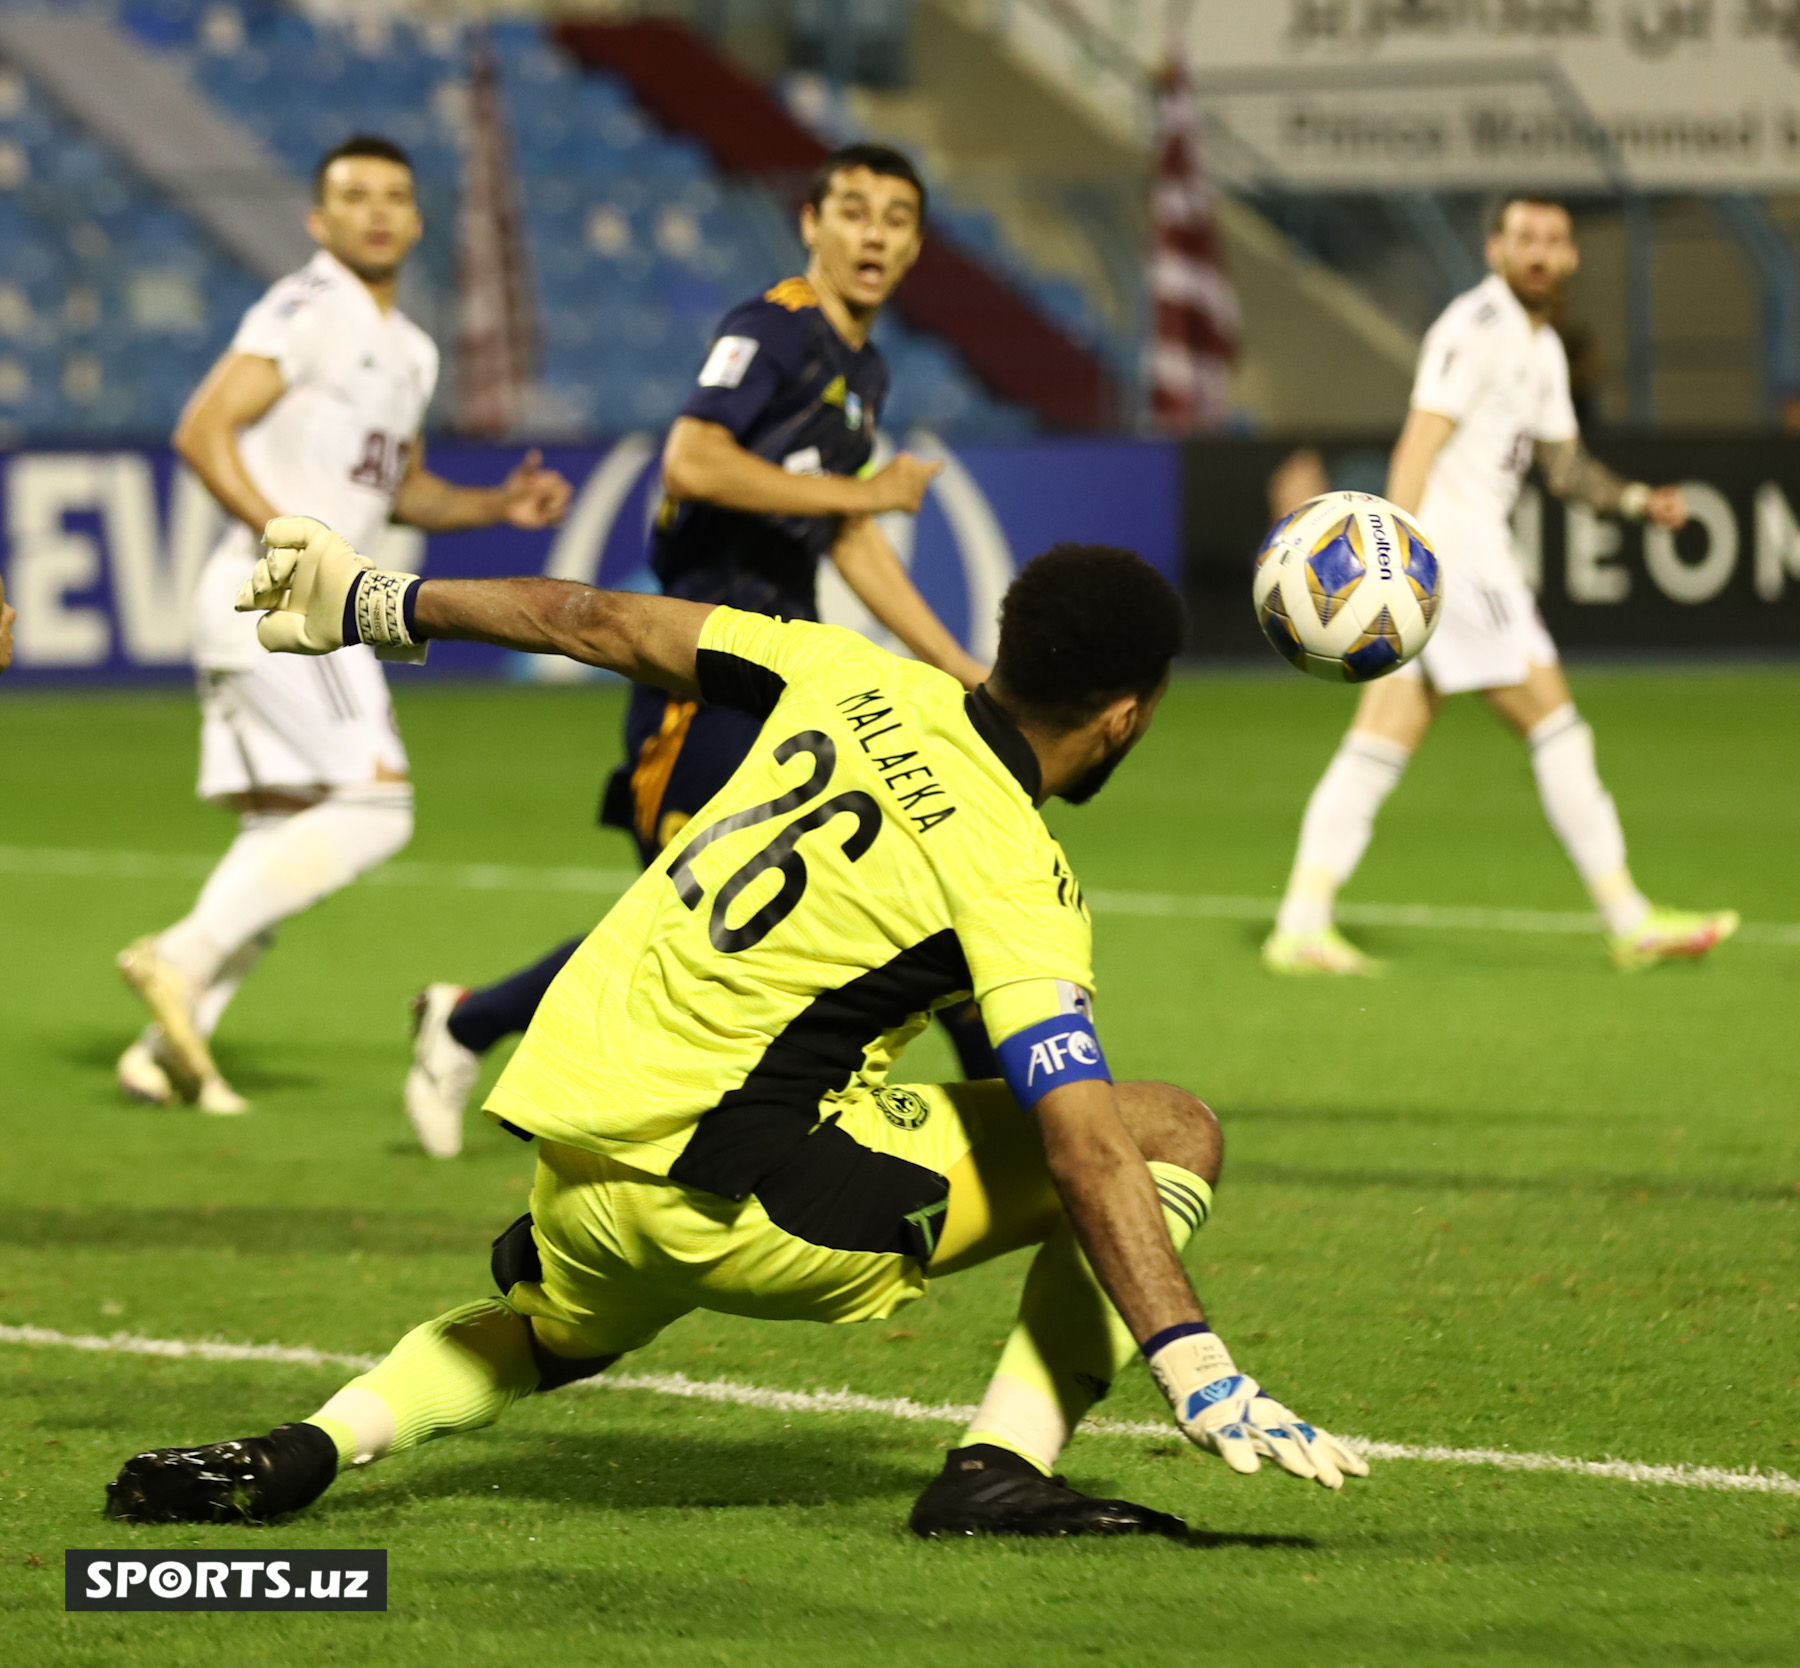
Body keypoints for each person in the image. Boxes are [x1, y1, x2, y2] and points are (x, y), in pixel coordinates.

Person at [103, 518, 1366, 1538]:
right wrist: (1192, 1359)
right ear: (1125, 715)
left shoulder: (848, 670)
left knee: (551, 1334)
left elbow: (587, 620)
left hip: (578, 1154)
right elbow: (1089, 1148)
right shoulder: (1021, 879)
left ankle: (305, 1447)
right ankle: (999, 1469)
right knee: (1170, 1130)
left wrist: (378, 600)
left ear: (1004, 644)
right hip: (754, 1202)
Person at [404, 142, 994, 1160]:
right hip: (700, 662)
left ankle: (468, 1020)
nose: (874, 234)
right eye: (854, 211)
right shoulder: (773, 327)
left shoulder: (865, 365)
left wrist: (958, 663)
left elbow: (846, 535)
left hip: (783, 664)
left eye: (897, 219)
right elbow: (694, 456)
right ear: (812, 223)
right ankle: (469, 1023)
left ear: (914, 245)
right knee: (701, 912)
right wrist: (864, 491)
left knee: (773, 895)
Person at [113, 135, 571, 1114]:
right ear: (319, 222)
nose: (375, 210)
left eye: (393, 196)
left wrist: (496, 507)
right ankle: (175, 958)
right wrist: (288, 542)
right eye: (353, 195)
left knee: (282, 835)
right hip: (278, 596)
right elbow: (203, 427)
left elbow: (398, 487)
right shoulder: (308, 308)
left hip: (294, 597)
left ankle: (161, 1048)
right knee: (376, 808)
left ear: (415, 219)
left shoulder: (410, 350)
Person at [1262, 196, 1737, 976]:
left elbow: (1562, 466)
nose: (1539, 253)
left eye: (1553, 240)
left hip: (1463, 562)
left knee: (1380, 739)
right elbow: (1419, 442)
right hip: (1455, 561)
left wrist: (1631, 502)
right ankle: (1628, 917)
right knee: (1556, 727)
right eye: (1525, 239)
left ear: (1572, 257)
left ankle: (1302, 921)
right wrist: (1394, 559)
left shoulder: (1539, 346)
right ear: (1495, 250)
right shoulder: (1473, 329)